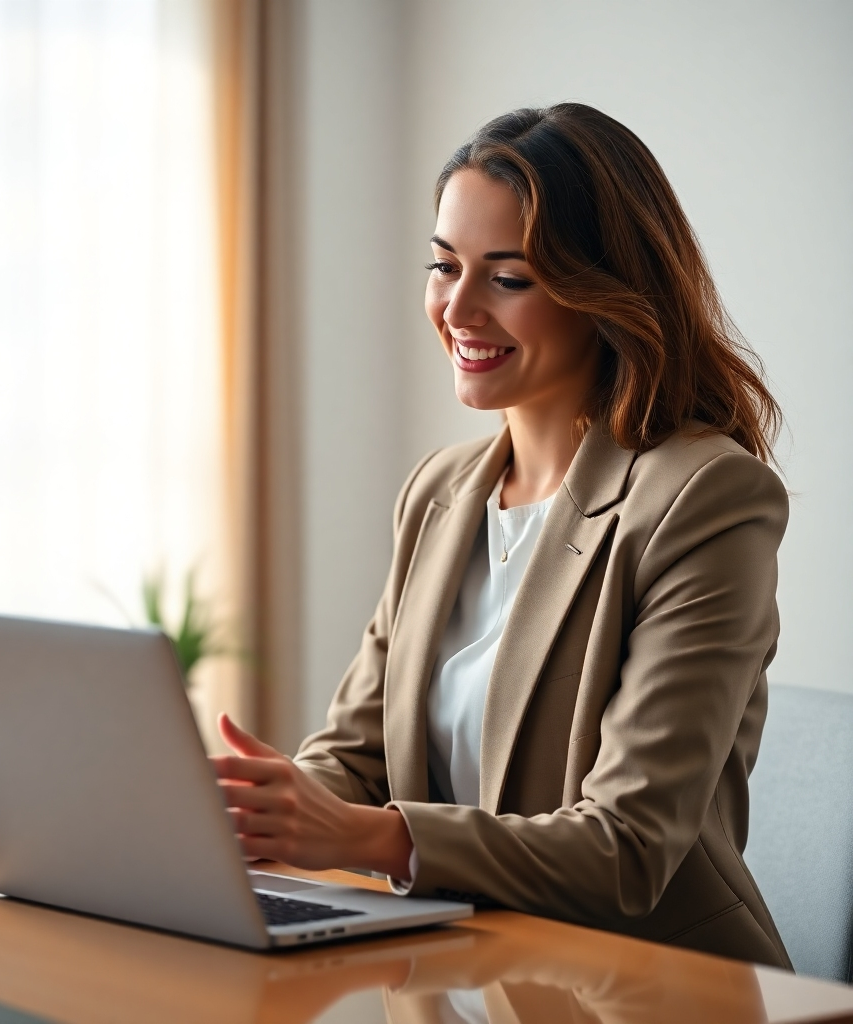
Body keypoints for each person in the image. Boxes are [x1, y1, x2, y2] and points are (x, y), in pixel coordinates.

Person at [211, 103, 791, 969]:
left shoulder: (705, 498)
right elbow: (356, 755)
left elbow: (627, 849)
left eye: (509, 278)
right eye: (444, 266)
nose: (458, 308)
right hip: (464, 967)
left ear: (604, 293)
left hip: (648, 983)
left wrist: (368, 838)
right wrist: (245, 814)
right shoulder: (439, 493)